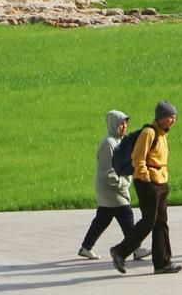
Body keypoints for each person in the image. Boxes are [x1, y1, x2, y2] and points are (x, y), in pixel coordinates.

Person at [110, 100, 181, 275]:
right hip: (148, 183)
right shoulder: (149, 132)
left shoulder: (162, 134)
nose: (173, 121)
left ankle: (162, 263)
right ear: (161, 117)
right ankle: (120, 251)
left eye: (174, 117)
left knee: (161, 223)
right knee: (149, 221)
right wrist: (146, 178)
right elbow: (138, 158)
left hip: (161, 182)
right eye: (170, 117)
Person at [77, 110, 150, 262]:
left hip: (114, 189)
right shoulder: (108, 144)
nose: (124, 126)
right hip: (111, 190)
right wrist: (122, 183)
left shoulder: (119, 140)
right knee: (126, 215)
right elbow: (108, 172)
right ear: (112, 125)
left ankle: (86, 247)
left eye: (125, 123)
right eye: (120, 124)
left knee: (102, 219)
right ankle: (136, 249)